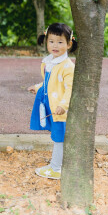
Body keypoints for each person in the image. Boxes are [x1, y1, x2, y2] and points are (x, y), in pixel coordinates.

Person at [27, 22, 77, 180]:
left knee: (59, 137)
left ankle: (56, 168)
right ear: (46, 41)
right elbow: (51, 83)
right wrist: (38, 86)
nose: (55, 45)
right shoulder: (50, 62)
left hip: (60, 109)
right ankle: (56, 164)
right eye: (51, 41)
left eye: (60, 42)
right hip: (51, 106)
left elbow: (70, 88)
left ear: (69, 44)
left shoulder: (67, 66)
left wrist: (64, 105)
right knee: (56, 136)